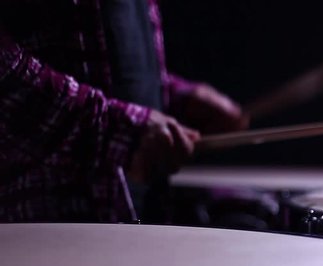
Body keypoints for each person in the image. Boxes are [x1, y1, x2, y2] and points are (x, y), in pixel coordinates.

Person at [0, 0, 248, 223]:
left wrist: (174, 98)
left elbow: (103, 58)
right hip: (42, 229)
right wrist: (114, 127)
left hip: (134, 208)